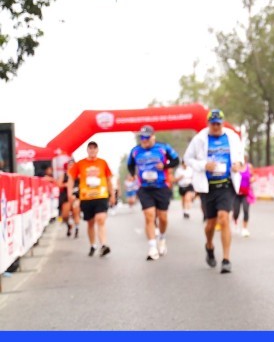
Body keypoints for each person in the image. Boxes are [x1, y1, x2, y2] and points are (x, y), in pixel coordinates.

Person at [184, 109, 245, 274]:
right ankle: (209, 246)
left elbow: (240, 155)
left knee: (224, 218)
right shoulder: (199, 139)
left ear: (223, 123)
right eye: (213, 124)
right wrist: (203, 165)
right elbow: (187, 158)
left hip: (226, 184)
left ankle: (226, 259)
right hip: (207, 186)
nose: (216, 127)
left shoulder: (232, 136)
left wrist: (238, 164)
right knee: (210, 224)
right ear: (208, 123)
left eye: (218, 124)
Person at [127, 125, 180, 261]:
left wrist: (165, 166)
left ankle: (162, 238)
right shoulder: (135, 151)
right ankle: (152, 247)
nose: (144, 140)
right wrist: (133, 174)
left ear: (153, 137)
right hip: (144, 188)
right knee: (149, 215)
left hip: (161, 186)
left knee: (163, 218)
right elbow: (130, 164)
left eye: (147, 137)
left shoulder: (163, 147)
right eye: (142, 138)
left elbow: (176, 160)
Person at [66, 142, 115, 257]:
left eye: (94, 148)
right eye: (90, 148)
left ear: (97, 150)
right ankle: (93, 245)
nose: (92, 150)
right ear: (87, 150)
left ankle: (103, 245)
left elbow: (108, 179)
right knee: (90, 223)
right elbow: (71, 178)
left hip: (101, 195)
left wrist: (112, 194)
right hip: (86, 197)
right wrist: (69, 193)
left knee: (100, 219)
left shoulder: (102, 163)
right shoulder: (80, 164)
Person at [232, 158, 256, 237]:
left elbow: (253, 176)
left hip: (246, 193)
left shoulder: (249, 166)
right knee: (236, 212)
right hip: (236, 193)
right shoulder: (235, 166)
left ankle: (245, 229)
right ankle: (235, 221)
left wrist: (252, 179)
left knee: (246, 210)